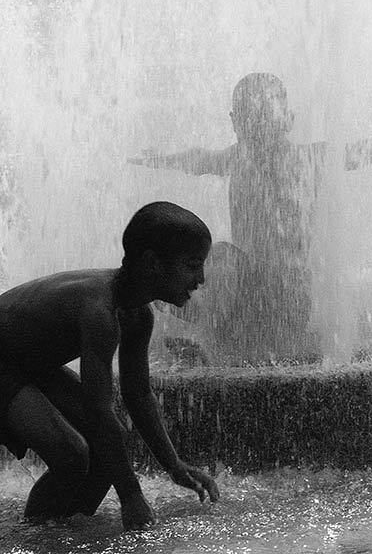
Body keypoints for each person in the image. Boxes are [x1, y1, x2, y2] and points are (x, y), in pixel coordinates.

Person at [131, 72, 372, 360]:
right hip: (245, 298)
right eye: (251, 123)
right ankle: (206, 332)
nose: (260, 135)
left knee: (222, 258)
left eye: (267, 122)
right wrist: (157, 159)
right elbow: (196, 160)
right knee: (211, 260)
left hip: (288, 296)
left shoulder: (310, 159)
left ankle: (200, 325)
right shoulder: (236, 159)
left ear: (288, 120)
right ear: (235, 124)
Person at [0, 201, 220, 530]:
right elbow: (98, 410)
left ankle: (60, 526)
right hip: (6, 364)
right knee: (73, 454)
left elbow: (138, 395)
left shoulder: (137, 316)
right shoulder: (99, 311)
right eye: (192, 265)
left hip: (31, 366)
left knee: (107, 452)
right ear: (152, 263)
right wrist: (131, 496)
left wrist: (173, 464)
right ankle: (34, 536)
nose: (200, 278)